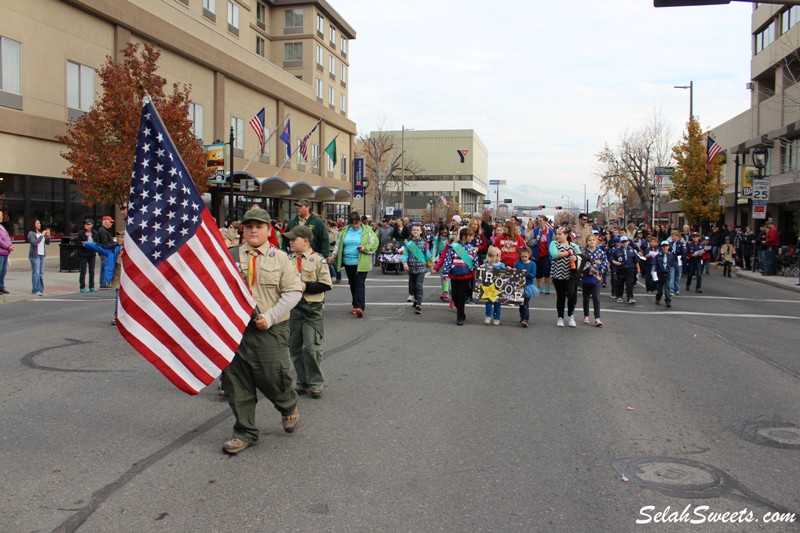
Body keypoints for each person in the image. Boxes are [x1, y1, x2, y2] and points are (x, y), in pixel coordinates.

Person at [221, 208, 303, 455]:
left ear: (269, 230)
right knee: (236, 382)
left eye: (259, 226)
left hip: (269, 329)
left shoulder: (280, 259)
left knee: (273, 377)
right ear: (242, 230)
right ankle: (244, 432)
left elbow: (293, 292)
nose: (253, 230)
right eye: (249, 227)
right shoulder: (229, 256)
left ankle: (287, 406)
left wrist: (270, 316)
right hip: (235, 331)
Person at [285, 224, 333, 399]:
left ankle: (315, 382)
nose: (290, 242)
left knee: (311, 347)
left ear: (305, 241)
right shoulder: (288, 259)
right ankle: (302, 381)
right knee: (295, 348)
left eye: (293, 239)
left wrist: (306, 286)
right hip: (293, 309)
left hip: (312, 308)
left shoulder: (317, 260)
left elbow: (327, 284)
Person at [333, 211, 378, 317]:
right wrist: (333, 255)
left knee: (359, 283)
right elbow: (338, 245)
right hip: (349, 262)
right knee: (352, 284)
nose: (355, 226)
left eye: (357, 223)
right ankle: (355, 304)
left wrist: (365, 248)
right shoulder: (344, 231)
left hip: (361, 262)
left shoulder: (367, 230)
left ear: (360, 221)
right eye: (353, 224)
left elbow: (375, 242)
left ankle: (360, 307)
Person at [434, 226, 477, 326]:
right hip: (454, 274)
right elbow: (448, 260)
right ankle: (461, 312)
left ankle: (460, 316)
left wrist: (477, 272)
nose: (472, 239)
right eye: (471, 236)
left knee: (461, 296)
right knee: (455, 295)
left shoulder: (471, 249)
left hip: (466, 274)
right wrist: (445, 272)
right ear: (465, 236)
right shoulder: (453, 247)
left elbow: (475, 262)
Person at [549, 227, 582, 327]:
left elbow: (581, 256)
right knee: (561, 296)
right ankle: (560, 317)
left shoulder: (573, 245)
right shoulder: (554, 244)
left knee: (572, 296)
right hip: (558, 274)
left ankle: (570, 315)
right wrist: (569, 253)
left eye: (560, 234)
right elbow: (554, 254)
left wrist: (575, 256)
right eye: (557, 234)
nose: (557, 236)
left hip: (571, 275)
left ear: (566, 235)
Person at [402, 222, 431, 314]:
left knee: (419, 286)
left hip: (421, 268)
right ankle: (416, 299)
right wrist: (405, 264)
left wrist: (431, 266)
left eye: (417, 230)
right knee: (413, 287)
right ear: (411, 231)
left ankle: (419, 305)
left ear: (421, 232)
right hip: (410, 268)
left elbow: (427, 255)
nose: (415, 231)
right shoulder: (408, 243)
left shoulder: (425, 243)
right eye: (414, 230)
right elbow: (404, 254)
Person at [581, 233, 607, 326]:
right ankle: (586, 315)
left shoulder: (601, 252)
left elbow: (605, 263)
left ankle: (597, 317)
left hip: (596, 278)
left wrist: (599, 270)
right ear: (587, 242)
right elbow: (580, 264)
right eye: (589, 240)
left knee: (596, 298)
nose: (592, 242)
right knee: (586, 298)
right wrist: (588, 269)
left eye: (593, 240)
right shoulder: (583, 252)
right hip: (586, 277)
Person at [609, 235, 640, 304]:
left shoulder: (631, 250)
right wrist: (615, 262)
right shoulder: (617, 250)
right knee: (620, 283)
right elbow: (611, 258)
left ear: (628, 242)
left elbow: (636, 260)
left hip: (630, 269)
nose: (624, 244)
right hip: (620, 269)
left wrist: (638, 268)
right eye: (623, 242)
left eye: (625, 242)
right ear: (620, 243)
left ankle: (630, 298)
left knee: (630, 284)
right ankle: (619, 296)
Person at [529, 215, 554, 295]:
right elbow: (529, 242)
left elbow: (554, 242)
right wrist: (536, 240)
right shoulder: (535, 231)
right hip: (537, 254)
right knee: (538, 272)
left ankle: (547, 287)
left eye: (541, 221)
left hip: (547, 255)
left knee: (547, 271)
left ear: (545, 222)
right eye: (538, 221)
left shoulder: (550, 232)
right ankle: (539, 286)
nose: (539, 222)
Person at [483, 246, 505, 326]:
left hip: (498, 287)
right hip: (489, 287)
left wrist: (508, 270)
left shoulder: (502, 265)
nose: (500, 257)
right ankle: (488, 316)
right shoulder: (486, 264)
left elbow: (505, 275)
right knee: (488, 302)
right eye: (499, 255)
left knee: (497, 303)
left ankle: (497, 317)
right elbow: (481, 272)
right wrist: (482, 268)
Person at [514, 246, 537, 328]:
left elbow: (533, 275)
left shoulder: (532, 264)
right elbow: (515, 271)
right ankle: (522, 317)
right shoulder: (518, 263)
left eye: (525, 257)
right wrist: (512, 270)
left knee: (525, 303)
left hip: (528, 286)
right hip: (519, 285)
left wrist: (526, 273)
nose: (523, 258)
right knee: (521, 303)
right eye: (522, 256)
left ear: (529, 255)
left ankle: (525, 319)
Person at [28, 219, 50, 296]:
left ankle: (41, 289)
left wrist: (48, 236)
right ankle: (35, 289)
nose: (39, 224)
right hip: (35, 255)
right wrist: (41, 236)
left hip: (41, 255)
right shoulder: (31, 233)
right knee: (36, 273)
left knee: (41, 273)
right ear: (34, 224)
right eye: (38, 223)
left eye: (40, 223)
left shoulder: (40, 233)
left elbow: (47, 243)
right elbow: (34, 243)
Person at [76, 218, 99, 293]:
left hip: (92, 254)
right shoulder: (81, 233)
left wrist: (93, 243)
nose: (86, 225)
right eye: (85, 224)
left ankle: (91, 286)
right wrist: (84, 244)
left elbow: (97, 243)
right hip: (83, 254)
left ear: (92, 225)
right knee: (83, 270)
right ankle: (82, 287)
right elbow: (78, 243)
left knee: (91, 270)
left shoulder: (95, 233)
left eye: (88, 224)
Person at [653, 240, 675, 308]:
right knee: (660, 287)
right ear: (661, 247)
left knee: (667, 288)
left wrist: (671, 272)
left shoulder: (670, 255)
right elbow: (655, 264)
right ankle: (658, 298)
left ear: (668, 247)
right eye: (663, 246)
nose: (665, 248)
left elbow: (672, 265)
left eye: (666, 246)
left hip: (667, 273)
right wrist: (654, 273)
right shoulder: (658, 256)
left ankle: (668, 300)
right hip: (660, 273)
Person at [668, 230, 686, 296]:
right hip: (671, 262)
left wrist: (683, 257)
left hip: (678, 261)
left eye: (674, 236)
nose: (672, 237)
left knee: (677, 276)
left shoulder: (681, 244)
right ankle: (671, 289)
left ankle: (677, 289)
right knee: (671, 276)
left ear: (677, 236)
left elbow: (684, 252)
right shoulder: (670, 244)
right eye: (672, 236)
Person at [0, 223, 12, 294]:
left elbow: (7, 237)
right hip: (1, 252)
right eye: (0, 215)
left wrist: (10, 245)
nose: (1, 217)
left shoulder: (1, 227)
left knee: (3, 271)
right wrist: (8, 246)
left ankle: (1, 287)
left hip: (5, 252)